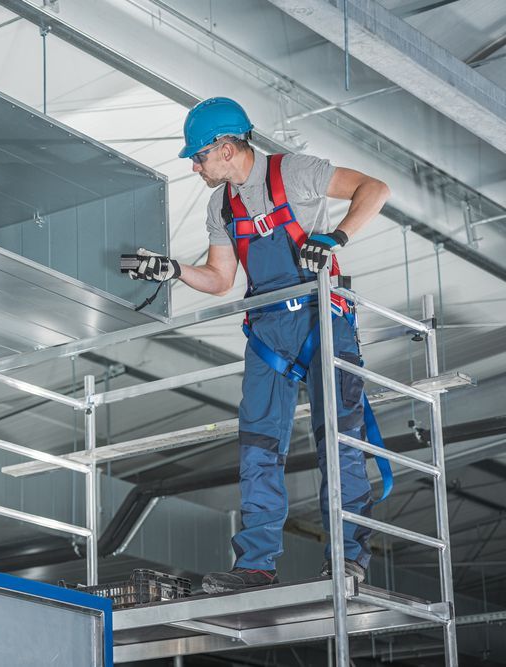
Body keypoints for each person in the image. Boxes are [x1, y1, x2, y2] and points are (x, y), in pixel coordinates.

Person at [128, 97, 391, 594]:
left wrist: (336, 237)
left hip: (322, 319)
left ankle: (348, 558)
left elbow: (375, 189)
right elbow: (222, 278)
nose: (193, 164)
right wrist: (173, 270)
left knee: (338, 440)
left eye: (198, 155)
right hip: (268, 332)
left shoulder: (294, 171)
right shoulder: (220, 205)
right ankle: (256, 564)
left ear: (225, 148)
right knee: (257, 448)